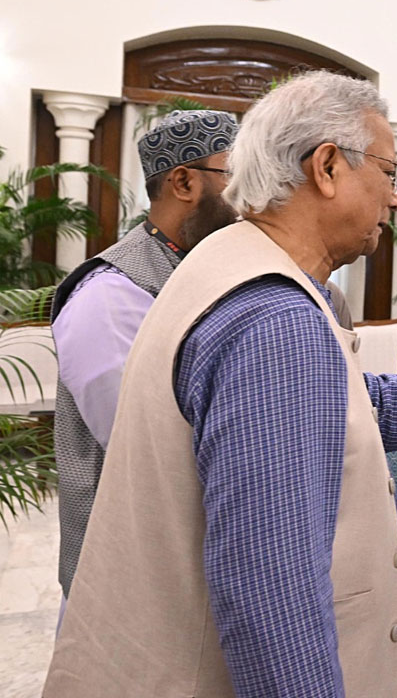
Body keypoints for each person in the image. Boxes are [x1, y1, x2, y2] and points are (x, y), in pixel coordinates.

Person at [43, 71, 397, 698]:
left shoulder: (228, 264)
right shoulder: (276, 319)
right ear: (327, 167)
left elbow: (357, 401)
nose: (396, 200)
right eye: (389, 173)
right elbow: (272, 597)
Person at [50, 109, 239, 601]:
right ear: (184, 182)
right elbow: (145, 445)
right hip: (121, 580)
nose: (252, 195)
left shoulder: (201, 270)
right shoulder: (111, 293)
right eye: (237, 175)